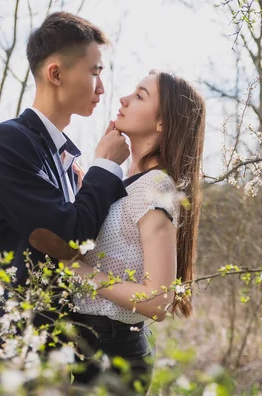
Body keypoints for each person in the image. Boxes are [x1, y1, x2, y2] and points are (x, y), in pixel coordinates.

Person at [0, 12, 130, 394]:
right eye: (94, 72)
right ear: (56, 74)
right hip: (8, 363)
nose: (102, 87)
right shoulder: (5, 142)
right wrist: (105, 166)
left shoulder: (66, 160)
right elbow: (68, 238)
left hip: (54, 364)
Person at [68, 70, 207, 395]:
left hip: (114, 350)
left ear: (162, 123)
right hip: (88, 344)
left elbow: (159, 300)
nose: (123, 99)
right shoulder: (131, 184)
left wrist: (79, 272)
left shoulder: (156, 187)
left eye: (140, 96)